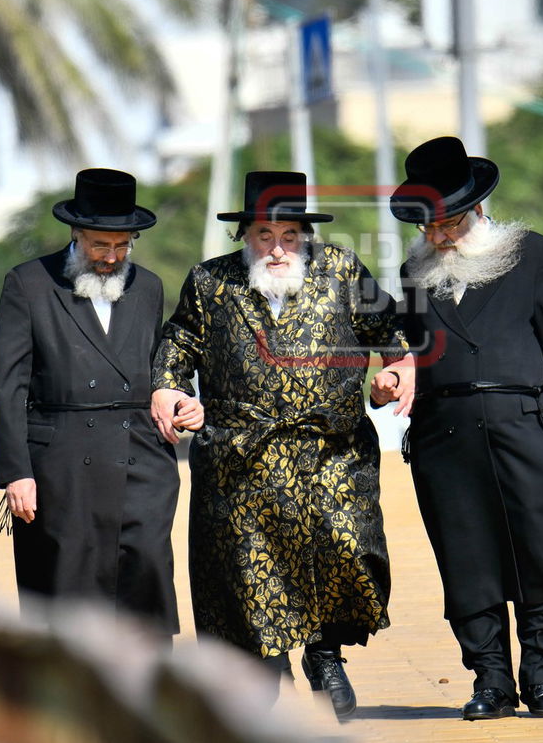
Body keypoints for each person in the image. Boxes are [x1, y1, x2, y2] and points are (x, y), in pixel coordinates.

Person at [152, 171, 412, 719]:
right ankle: (269, 669)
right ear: (245, 235)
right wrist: (170, 388)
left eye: (290, 235)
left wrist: (398, 368)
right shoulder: (209, 282)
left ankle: (325, 653)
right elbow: (178, 344)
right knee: (253, 567)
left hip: (332, 450)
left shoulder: (342, 269)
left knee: (348, 548)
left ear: (306, 236)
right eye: (265, 235)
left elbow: (390, 330)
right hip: (242, 453)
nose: (277, 248)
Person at [392, 136, 543, 721]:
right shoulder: (413, 271)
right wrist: (394, 374)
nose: (437, 236)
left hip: (523, 421)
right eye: (428, 226)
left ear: (475, 210)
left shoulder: (535, 254)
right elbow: (407, 352)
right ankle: (491, 682)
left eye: (446, 223)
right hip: (443, 434)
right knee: (467, 560)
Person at [0, 168, 199, 635]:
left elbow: (161, 367)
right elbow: (8, 383)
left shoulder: (148, 287)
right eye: (99, 246)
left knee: (144, 573)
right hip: (61, 462)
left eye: (122, 246)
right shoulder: (29, 283)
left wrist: (182, 398)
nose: (111, 257)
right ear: (76, 234)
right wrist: (16, 472)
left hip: (141, 458)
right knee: (68, 591)